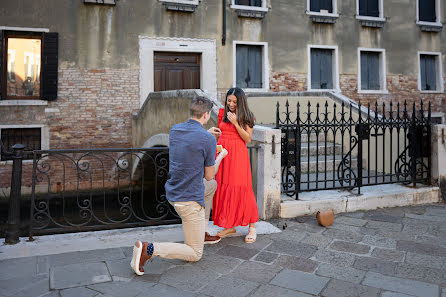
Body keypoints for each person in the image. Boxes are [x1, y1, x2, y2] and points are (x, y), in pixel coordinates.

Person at [131, 96, 228, 276]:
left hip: (173, 193)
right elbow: (209, 174)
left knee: (211, 186)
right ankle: (149, 249)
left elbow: (193, 140)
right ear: (207, 115)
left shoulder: (175, 130)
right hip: (189, 200)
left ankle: (202, 231)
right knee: (195, 253)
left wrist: (207, 135)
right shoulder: (208, 140)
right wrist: (220, 155)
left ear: (192, 112)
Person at [211, 87, 259, 243]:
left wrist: (236, 123)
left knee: (242, 188)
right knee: (224, 187)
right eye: (229, 100)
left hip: (238, 156)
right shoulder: (222, 113)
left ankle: (252, 227)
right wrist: (216, 134)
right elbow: (222, 132)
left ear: (241, 101)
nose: (230, 104)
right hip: (223, 155)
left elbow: (247, 139)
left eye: (234, 101)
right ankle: (229, 225)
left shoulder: (247, 116)